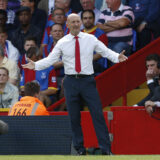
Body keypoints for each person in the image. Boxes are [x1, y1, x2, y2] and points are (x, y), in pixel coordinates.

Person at [22, 13, 128, 155]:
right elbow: (50, 59)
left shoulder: (90, 39)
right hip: (71, 81)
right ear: (68, 25)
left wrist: (117, 57)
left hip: (88, 81)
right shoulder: (62, 42)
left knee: (97, 114)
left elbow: (105, 51)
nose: (76, 24)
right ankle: (79, 150)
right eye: (73, 22)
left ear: (81, 24)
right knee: (74, 117)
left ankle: (106, 150)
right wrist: (35, 65)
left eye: (78, 21)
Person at [81, 9, 108, 74]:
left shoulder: (101, 34)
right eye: (85, 18)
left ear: (94, 19)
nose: (87, 20)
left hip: (96, 64)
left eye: (90, 18)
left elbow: (101, 53)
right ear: (81, 20)